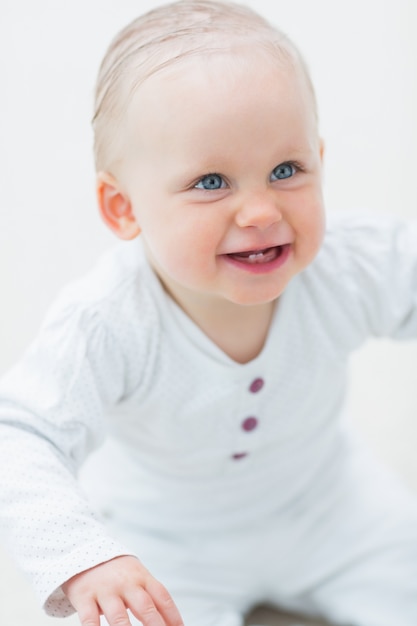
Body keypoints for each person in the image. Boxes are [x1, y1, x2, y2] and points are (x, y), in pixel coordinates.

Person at [1, 1, 417, 625]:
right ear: (123, 208)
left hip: (331, 508)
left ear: (320, 163)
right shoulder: (107, 320)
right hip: (165, 543)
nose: (259, 212)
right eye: (211, 182)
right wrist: (85, 557)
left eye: (286, 170)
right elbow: (21, 435)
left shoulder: (349, 266)